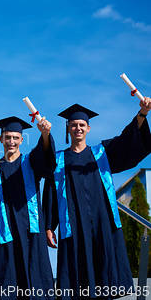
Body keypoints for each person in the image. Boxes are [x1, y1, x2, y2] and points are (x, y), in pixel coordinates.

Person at [43, 100, 151, 299]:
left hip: (103, 223)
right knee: (77, 275)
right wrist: (49, 226)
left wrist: (142, 114)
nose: (78, 128)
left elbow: (126, 141)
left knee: (105, 270)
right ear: (68, 127)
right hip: (74, 225)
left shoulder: (102, 153)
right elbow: (50, 192)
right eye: (74, 124)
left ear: (88, 128)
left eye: (82, 125)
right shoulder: (58, 160)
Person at [0, 116, 55, 300]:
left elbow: (45, 158)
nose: (11, 141)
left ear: (21, 140)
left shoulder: (31, 163)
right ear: (1, 139)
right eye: (7, 137)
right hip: (5, 231)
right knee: (7, 276)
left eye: (15, 137)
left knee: (34, 275)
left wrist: (45, 134)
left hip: (31, 230)